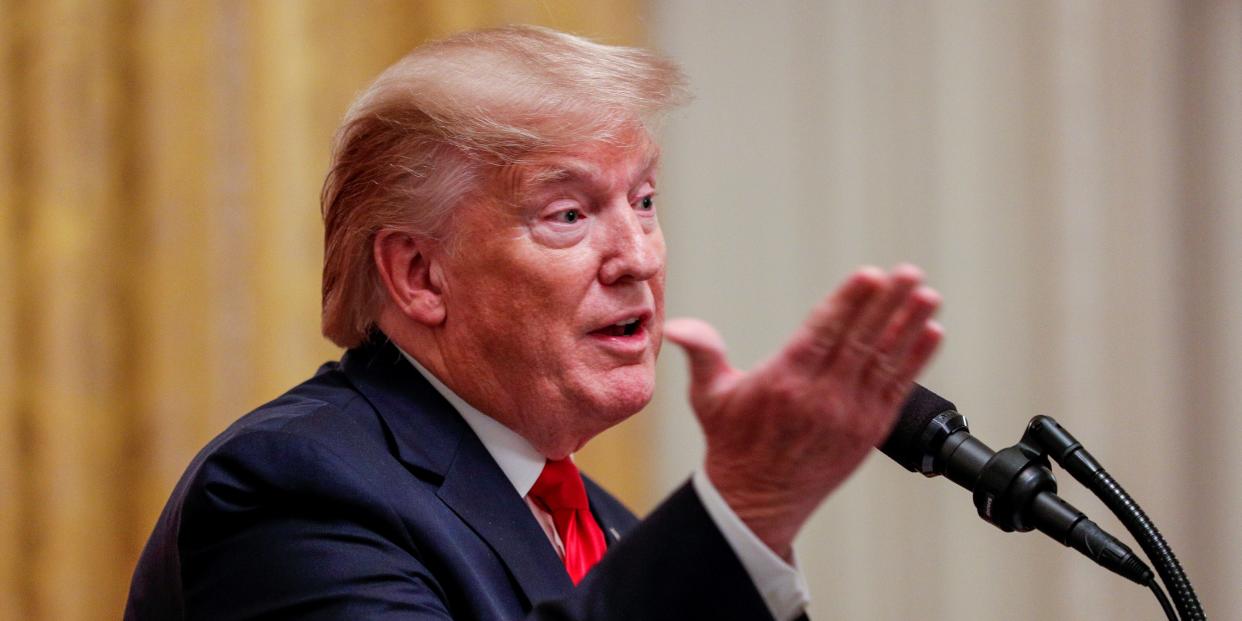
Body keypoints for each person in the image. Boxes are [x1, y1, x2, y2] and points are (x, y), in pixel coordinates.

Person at [125, 25, 942, 620]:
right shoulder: (295, 488)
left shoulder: (608, 524)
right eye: (568, 213)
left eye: (645, 201)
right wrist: (742, 512)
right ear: (419, 274)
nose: (637, 256)